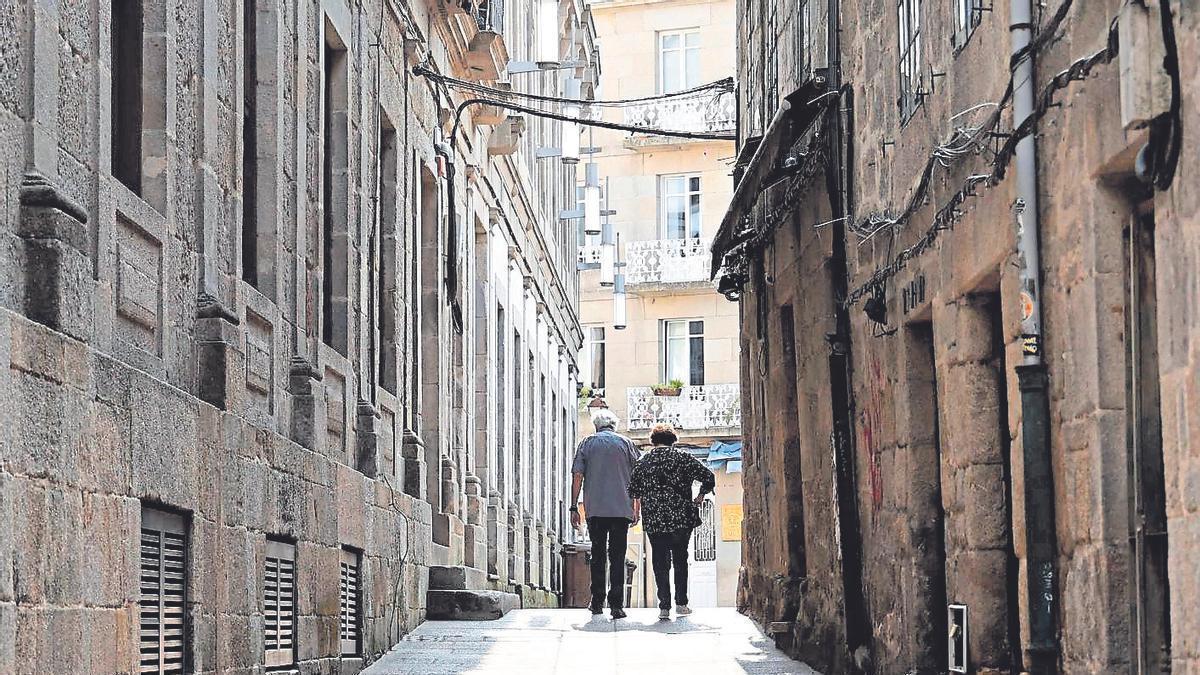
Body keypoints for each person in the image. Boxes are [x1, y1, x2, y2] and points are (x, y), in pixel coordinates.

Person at [628, 423, 716, 620]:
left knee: (659, 562)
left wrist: (640, 507)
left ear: (653, 441)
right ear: (673, 440)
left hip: (655, 519)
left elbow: (633, 490)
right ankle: (682, 603)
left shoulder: (643, 462)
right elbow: (709, 477)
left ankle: (664, 606)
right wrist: (701, 495)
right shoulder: (682, 458)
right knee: (680, 560)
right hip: (681, 518)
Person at [570, 408, 642, 619]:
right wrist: (636, 507)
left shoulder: (587, 443)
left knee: (598, 555)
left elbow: (577, 476)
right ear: (613, 426)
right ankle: (617, 604)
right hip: (621, 509)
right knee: (618, 556)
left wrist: (574, 506)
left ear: (596, 426)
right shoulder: (627, 444)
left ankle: (597, 601)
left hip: (596, 509)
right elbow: (637, 478)